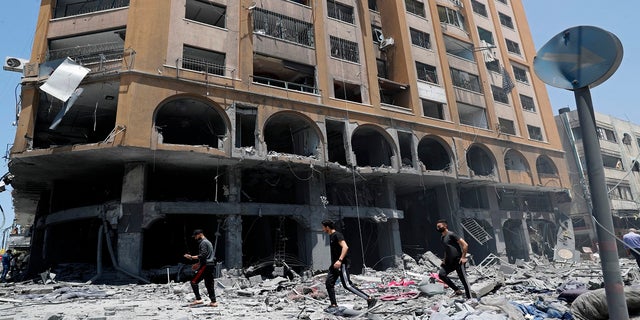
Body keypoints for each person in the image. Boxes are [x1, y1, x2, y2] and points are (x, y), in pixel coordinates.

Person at [321, 219, 376, 312]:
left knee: (347, 285)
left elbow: (345, 247)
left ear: (327, 227)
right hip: (334, 265)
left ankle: (370, 299)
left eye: (323, 227)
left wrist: (339, 260)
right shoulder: (331, 236)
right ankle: (333, 305)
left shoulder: (337, 235)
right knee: (329, 283)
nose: (322, 229)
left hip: (340, 264)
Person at [436, 219, 471, 299]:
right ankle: (457, 290)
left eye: (439, 226)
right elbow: (446, 250)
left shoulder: (451, 234)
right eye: (437, 227)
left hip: (458, 261)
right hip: (449, 262)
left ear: (445, 226)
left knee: (463, 280)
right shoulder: (442, 238)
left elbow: (465, 245)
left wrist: (463, 257)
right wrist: (444, 260)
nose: (438, 228)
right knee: (441, 274)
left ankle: (470, 298)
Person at [183, 229, 218, 307]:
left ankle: (198, 299)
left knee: (193, 281)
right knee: (209, 284)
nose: (195, 238)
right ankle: (213, 301)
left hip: (206, 265)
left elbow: (203, 255)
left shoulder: (203, 243)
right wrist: (198, 263)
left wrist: (191, 257)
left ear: (200, 234)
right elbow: (207, 255)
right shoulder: (208, 242)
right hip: (210, 264)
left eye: (195, 236)